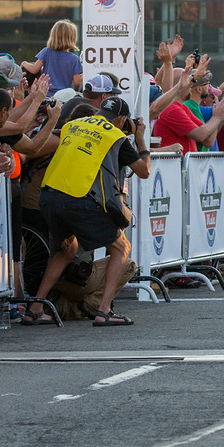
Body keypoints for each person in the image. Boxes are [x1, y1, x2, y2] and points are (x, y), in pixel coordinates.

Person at [34, 96, 151, 326]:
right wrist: (139, 138)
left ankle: (36, 308)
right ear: (121, 120)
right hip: (78, 196)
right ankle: (104, 310)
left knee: (66, 250)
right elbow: (143, 171)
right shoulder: (116, 135)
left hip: (49, 193)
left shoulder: (73, 125)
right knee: (121, 247)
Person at [22, 19, 83, 96]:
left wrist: (24, 63)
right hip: (63, 97)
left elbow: (34, 69)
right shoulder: (74, 59)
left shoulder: (46, 52)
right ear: (73, 38)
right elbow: (77, 82)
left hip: (45, 94)